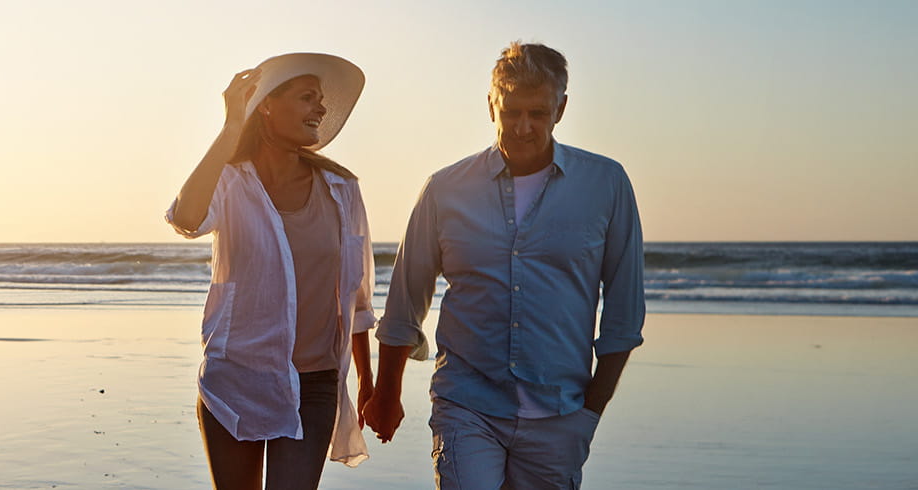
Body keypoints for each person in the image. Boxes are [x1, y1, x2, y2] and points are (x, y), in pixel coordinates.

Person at [363, 42, 645, 489]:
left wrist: (590, 413)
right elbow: (405, 301)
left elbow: (624, 315)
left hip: (561, 414)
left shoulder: (606, 184)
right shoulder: (445, 189)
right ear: (490, 106)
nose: (524, 127)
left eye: (538, 112)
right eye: (511, 111)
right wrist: (386, 391)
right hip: (466, 403)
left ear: (562, 108)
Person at [166, 53, 377, 489]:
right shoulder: (230, 182)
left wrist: (368, 378)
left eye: (320, 101)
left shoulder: (342, 190)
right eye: (307, 98)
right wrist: (229, 128)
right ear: (265, 106)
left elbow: (356, 296)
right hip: (237, 377)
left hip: (315, 383)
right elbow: (186, 217)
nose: (319, 109)